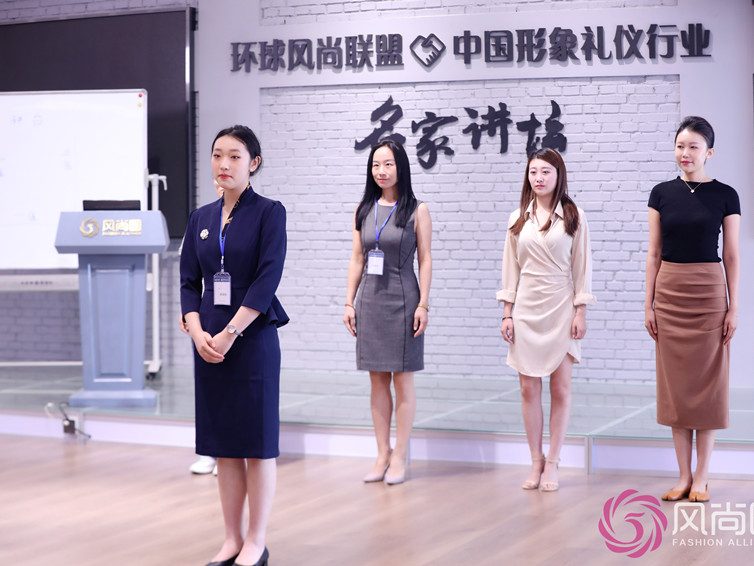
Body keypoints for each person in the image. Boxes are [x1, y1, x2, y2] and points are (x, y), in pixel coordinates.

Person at [180, 125, 288, 566]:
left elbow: (266, 281)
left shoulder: (269, 212)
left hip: (251, 338)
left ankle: (257, 541)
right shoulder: (200, 218)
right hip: (208, 341)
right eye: (217, 155)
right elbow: (189, 282)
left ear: (253, 163)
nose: (224, 164)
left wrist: (229, 333)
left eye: (235, 156)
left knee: (257, 445)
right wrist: (196, 330)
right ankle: (231, 538)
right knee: (224, 446)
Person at [645, 116, 740, 503]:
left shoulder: (726, 195)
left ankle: (702, 477)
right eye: (680, 146)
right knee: (676, 388)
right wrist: (648, 303)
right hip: (669, 294)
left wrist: (733, 307)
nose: (685, 153)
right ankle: (683, 476)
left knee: (709, 386)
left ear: (709, 152)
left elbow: (731, 255)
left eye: (693, 147)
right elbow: (653, 252)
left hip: (709, 294)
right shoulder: (660, 193)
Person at [498, 148, 595, 492]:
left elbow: (582, 266)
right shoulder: (517, 218)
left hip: (561, 307)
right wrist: (507, 312)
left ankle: (553, 460)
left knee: (560, 388)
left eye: (545, 172)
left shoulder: (573, 216)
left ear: (558, 175)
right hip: (526, 308)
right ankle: (535, 460)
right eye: (533, 172)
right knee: (528, 388)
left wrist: (580, 311)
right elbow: (510, 269)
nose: (538, 178)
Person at [343, 140, 432, 485]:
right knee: (377, 379)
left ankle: (400, 455)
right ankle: (382, 453)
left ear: (401, 167)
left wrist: (424, 304)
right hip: (370, 300)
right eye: (376, 165)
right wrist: (348, 301)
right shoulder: (363, 209)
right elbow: (357, 259)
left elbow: (425, 259)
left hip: (404, 298)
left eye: (388, 164)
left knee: (403, 380)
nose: (381, 171)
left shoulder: (417, 210)